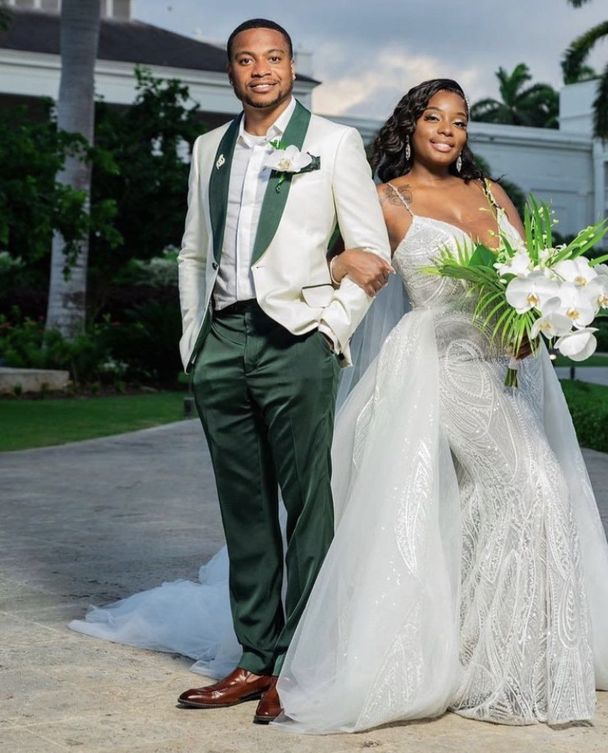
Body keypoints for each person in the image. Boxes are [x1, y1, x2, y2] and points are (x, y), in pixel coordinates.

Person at [69, 79, 608, 732]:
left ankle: (479, 648)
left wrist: (536, 322)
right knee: (532, 482)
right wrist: (327, 281)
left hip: (501, 367)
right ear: (409, 125)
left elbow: (524, 288)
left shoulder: (492, 195)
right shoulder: (385, 199)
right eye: (433, 116)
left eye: (460, 119)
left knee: (494, 493)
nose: (448, 128)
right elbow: (323, 262)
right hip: (434, 365)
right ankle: (489, 662)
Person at [73, 17, 391, 725]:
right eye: (246, 60)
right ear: (231, 70)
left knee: (309, 508)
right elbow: (192, 252)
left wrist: (329, 330)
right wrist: (195, 341)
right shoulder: (207, 147)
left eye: (272, 58)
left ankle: (302, 666)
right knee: (244, 510)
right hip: (222, 345)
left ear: (289, 64)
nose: (260, 70)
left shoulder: (332, 143)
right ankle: (255, 657)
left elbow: (369, 255)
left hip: (296, 345)